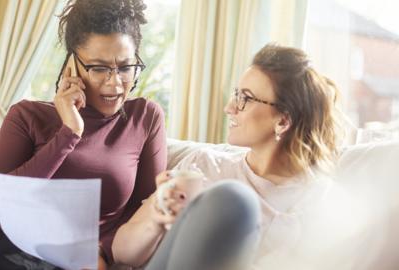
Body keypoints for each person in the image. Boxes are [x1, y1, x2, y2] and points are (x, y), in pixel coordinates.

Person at [0, 0, 166, 269]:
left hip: (69, 261)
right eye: (98, 67)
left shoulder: (145, 118)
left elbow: (144, 212)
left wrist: (100, 251)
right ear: (73, 63)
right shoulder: (27, 115)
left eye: (126, 67)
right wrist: (69, 133)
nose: (115, 82)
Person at [112, 44, 347, 270]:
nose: (229, 108)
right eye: (236, 94)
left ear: (283, 121)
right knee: (232, 198)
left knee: (234, 200)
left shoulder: (323, 200)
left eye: (245, 98)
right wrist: (157, 217)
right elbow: (122, 253)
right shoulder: (201, 166)